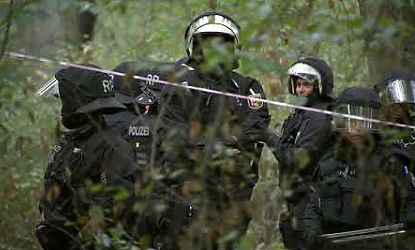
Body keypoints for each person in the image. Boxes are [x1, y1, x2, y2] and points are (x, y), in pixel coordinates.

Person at [157, 11, 271, 249]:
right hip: (187, 195)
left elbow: (255, 130)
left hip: (233, 195)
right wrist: (212, 149)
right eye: (209, 45)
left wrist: (225, 146)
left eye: (223, 45)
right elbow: (172, 135)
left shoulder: (246, 87)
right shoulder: (180, 83)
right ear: (196, 48)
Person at [301, 86, 415, 250]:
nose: (356, 128)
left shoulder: (391, 160)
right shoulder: (328, 162)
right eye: (350, 120)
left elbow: (413, 200)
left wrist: (413, 221)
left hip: (383, 243)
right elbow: (314, 205)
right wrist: (312, 230)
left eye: (363, 120)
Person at [35, 65, 140, 250]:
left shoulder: (113, 146)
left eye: (63, 100)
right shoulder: (72, 141)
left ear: (77, 102)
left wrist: (79, 243)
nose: (61, 108)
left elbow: (115, 208)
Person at [269, 57, 334, 249]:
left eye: (306, 85)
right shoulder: (301, 113)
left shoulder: (320, 117)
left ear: (319, 86)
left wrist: (269, 138)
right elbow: (285, 152)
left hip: (312, 201)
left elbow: (298, 159)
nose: (300, 90)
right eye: (298, 85)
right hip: (296, 200)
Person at [374, 68, 415, 203]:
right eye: (394, 104)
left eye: (404, 105)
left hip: (413, 205)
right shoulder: (370, 126)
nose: (399, 109)